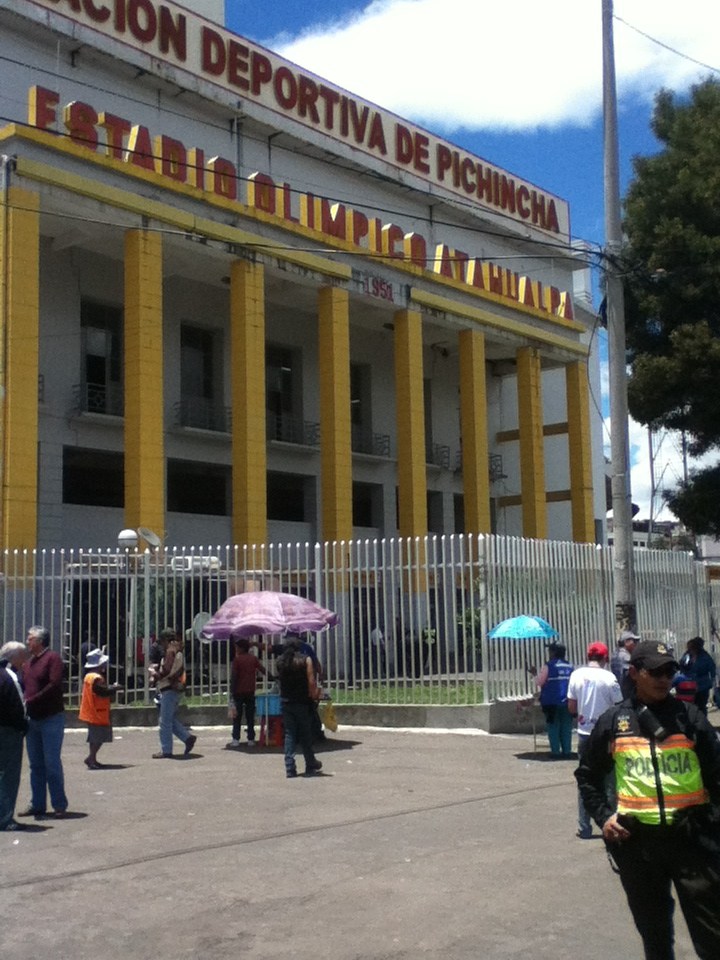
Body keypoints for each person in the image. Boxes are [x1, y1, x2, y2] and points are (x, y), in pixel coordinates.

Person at [575, 640, 720, 960]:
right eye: (655, 671)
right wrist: (604, 817)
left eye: (669, 671)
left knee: (712, 939)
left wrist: (712, 823)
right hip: (638, 846)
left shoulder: (690, 718)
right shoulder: (615, 721)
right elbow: (587, 775)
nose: (664, 678)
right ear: (634, 673)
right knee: (655, 938)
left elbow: (716, 774)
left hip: (692, 842)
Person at [567, 641, 622, 838]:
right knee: (609, 781)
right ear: (605, 658)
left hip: (584, 734)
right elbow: (620, 706)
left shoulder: (576, 675)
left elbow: (571, 707)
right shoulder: (609, 678)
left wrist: (582, 715)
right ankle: (611, 824)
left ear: (587, 656)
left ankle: (584, 826)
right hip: (606, 736)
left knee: (585, 780)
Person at [19, 625, 69, 819]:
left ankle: (59, 804)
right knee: (35, 765)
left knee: (51, 762)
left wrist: (32, 699)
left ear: (40, 641)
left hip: (51, 718)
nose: (27, 641)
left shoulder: (52, 659)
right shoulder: (29, 663)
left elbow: (54, 684)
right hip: (33, 719)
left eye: (30, 638)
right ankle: (37, 804)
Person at [275, 638, 323, 779]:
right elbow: (311, 681)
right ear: (298, 648)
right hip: (302, 701)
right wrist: (314, 695)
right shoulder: (305, 660)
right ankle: (310, 763)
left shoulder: (280, 662)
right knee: (305, 733)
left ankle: (290, 767)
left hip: (286, 702)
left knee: (289, 733)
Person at [149, 627, 196, 759]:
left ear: (166, 640)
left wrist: (155, 674)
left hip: (169, 688)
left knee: (164, 722)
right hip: (174, 689)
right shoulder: (178, 651)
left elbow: (167, 670)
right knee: (168, 719)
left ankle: (166, 750)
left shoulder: (171, 651)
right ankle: (187, 738)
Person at [0, 641, 29, 831]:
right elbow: (20, 706)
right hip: (8, 730)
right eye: (23, 657)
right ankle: (4, 818)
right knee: (8, 775)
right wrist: (23, 726)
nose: (25, 661)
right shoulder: (10, 677)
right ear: (15, 658)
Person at [78, 648, 122, 768]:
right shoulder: (96, 678)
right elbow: (102, 691)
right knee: (98, 736)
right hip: (97, 711)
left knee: (95, 736)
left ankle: (92, 758)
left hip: (91, 710)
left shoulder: (89, 676)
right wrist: (115, 688)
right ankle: (91, 758)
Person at [529, 642, 574, 758]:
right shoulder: (570, 666)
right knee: (566, 727)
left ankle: (555, 752)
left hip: (551, 702)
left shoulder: (548, 666)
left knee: (553, 726)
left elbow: (540, 682)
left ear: (553, 653)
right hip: (568, 701)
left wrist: (534, 674)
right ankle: (567, 752)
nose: (549, 653)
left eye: (550, 651)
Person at [227, 636, 268, 747]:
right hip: (250, 691)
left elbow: (234, 676)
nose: (236, 649)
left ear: (241, 648)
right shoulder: (253, 659)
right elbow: (262, 670)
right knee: (250, 716)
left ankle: (236, 739)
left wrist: (232, 690)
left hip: (238, 691)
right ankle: (251, 738)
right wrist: (272, 677)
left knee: (237, 717)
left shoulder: (237, 660)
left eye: (237, 647)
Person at [679, 636, 717, 714]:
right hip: (689, 685)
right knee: (689, 706)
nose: (689, 650)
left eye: (691, 648)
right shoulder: (687, 656)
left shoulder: (705, 656)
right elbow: (682, 666)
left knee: (701, 706)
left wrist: (713, 680)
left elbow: (712, 668)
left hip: (702, 685)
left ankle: (702, 720)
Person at [617, 630, 641, 698]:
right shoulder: (625, 656)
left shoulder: (617, 654)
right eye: (634, 641)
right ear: (626, 642)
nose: (636, 644)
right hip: (627, 694)